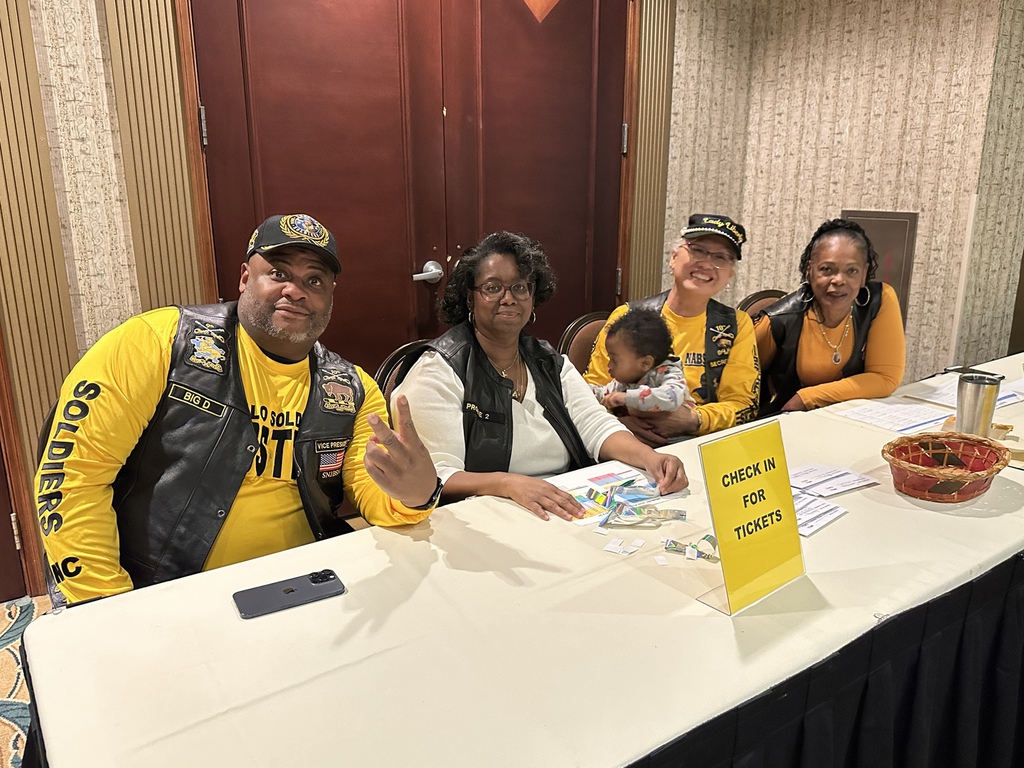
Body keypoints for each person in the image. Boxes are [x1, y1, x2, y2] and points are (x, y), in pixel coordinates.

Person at [34, 213, 442, 604]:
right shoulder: (158, 342)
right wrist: (108, 604)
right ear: (246, 277)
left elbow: (375, 494)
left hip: (305, 585)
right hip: (166, 590)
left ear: (330, 296)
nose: (295, 290)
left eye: (314, 280)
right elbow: (73, 477)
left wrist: (416, 495)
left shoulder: (352, 387)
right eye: (278, 273)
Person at [392, 231, 688, 522]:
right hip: (484, 518)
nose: (509, 298)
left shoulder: (549, 362)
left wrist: (651, 458)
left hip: (560, 507)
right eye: (493, 288)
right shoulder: (438, 370)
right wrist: (508, 484)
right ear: (470, 298)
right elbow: (438, 476)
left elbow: (596, 426)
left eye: (520, 287)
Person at [584, 214, 760, 445]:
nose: (707, 263)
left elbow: (743, 405)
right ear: (674, 257)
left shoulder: (736, 325)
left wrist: (694, 420)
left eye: (721, 257)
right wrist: (620, 422)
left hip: (700, 443)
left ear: (730, 275)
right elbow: (591, 390)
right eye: (698, 250)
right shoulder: (627, 317)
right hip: (624, 438)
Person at [753, 218, 905, 414]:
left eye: (852, 271)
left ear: (863, 274)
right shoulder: (776, 320)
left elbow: (885, 378)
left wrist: (807, 397)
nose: (839, 280)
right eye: (826, 269)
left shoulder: (880, 300)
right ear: (809, 271)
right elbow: (734, 380)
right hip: (786, 421)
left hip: (846, 417)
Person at [590, 309, 693, 414]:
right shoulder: (622, 383)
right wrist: (583, 388)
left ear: (645, 363)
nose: (609, 365)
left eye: (614, 360)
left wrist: (627, 398)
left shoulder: (668, 373)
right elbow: (601, 394)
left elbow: (672, 397)